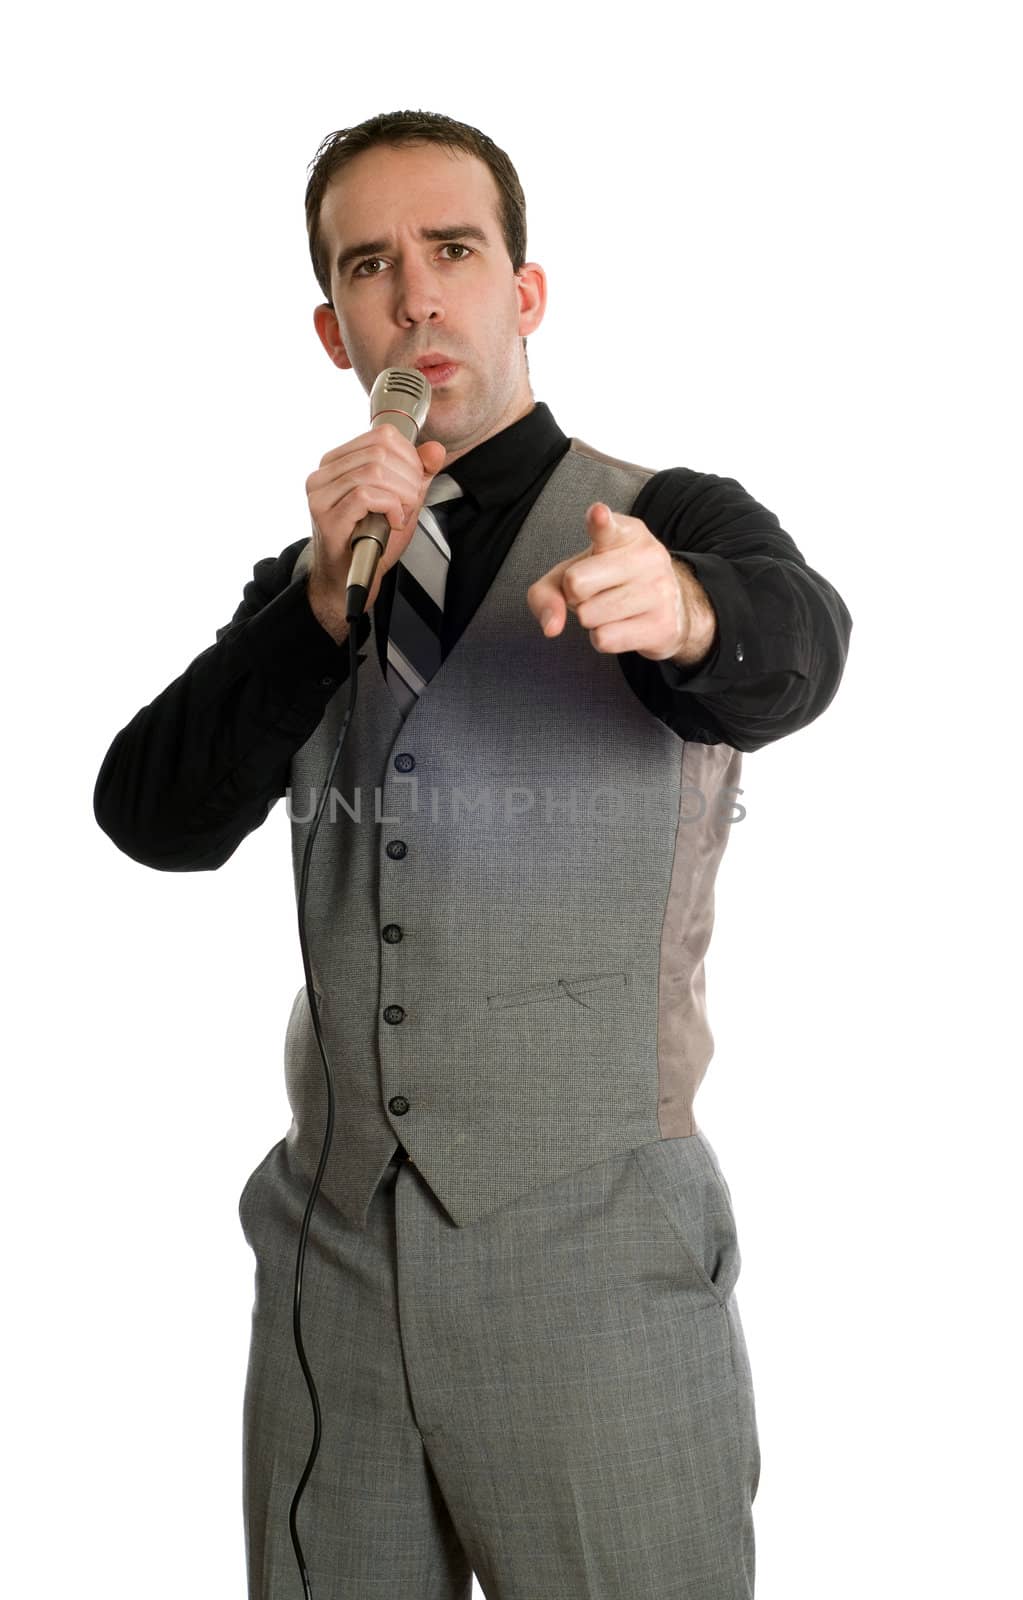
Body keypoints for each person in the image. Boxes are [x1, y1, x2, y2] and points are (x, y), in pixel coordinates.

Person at [93, 109, 853, 1599]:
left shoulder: (667, 519)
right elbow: (152, 817)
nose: (417, 295)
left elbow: (803, 646)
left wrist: (691, 612)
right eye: (371, 267)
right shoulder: (312, 581)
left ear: (526, 290)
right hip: (331, 1277)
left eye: (454, 250)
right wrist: (308, 615)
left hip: (591, 1267)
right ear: (335, 331)